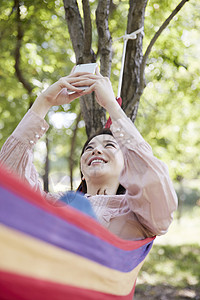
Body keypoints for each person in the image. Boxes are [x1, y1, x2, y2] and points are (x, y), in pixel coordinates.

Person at [0, 67, 178, 240]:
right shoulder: (55, 204)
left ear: (127, 168)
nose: (97, 150)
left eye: (109, 145)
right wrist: (44, 101)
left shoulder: (139, 212)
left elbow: (153, 179)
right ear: (82, 173)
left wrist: (111, 105)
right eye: (89, 148)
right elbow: (8, 178)